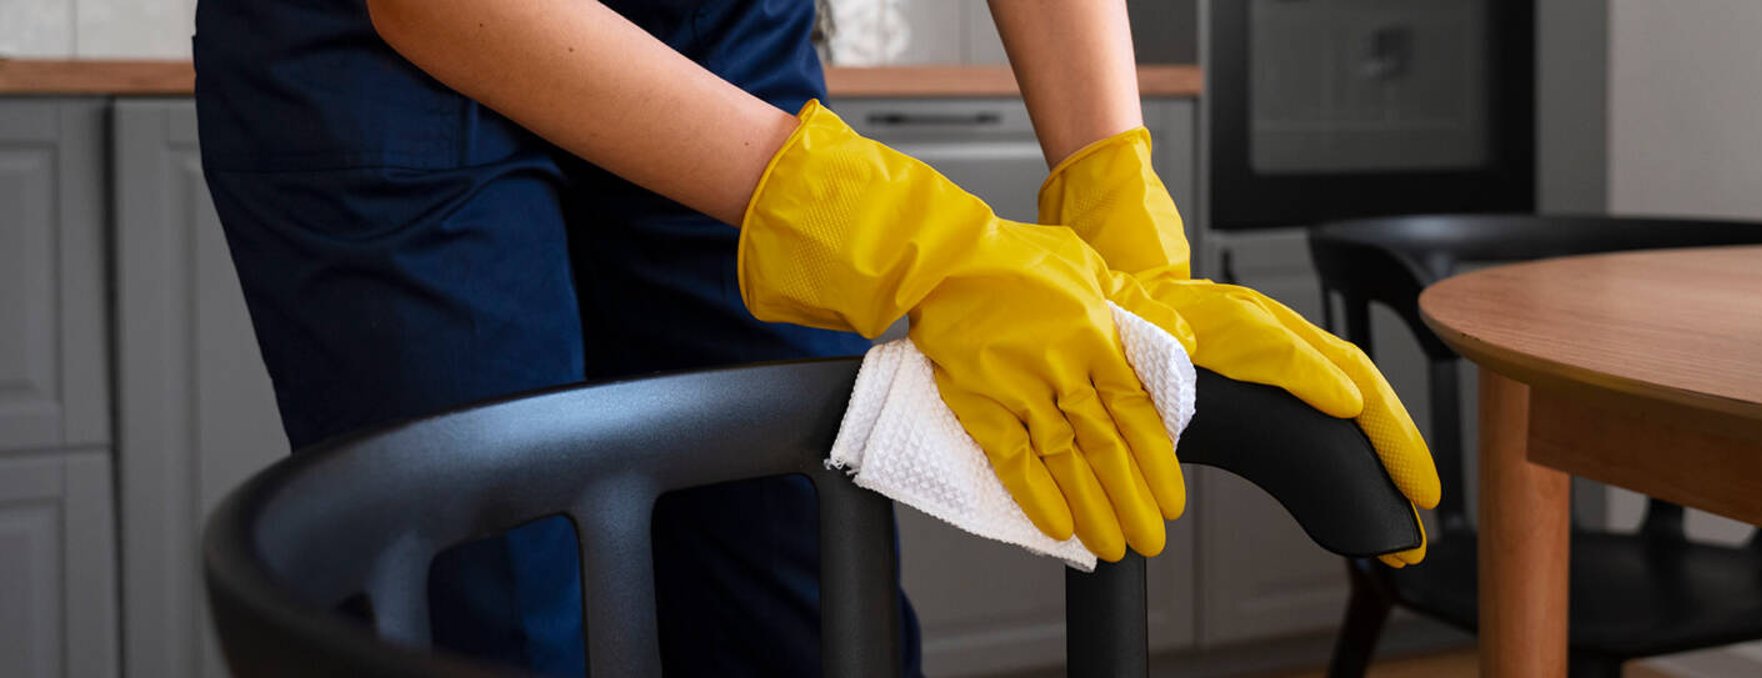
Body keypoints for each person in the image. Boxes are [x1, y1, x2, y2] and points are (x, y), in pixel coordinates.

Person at [192, 0, 1439, 674]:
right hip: (387, 50)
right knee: (504, 618)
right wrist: (909, 240)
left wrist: (1110, 183)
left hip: (720, 24)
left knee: (805, 610)